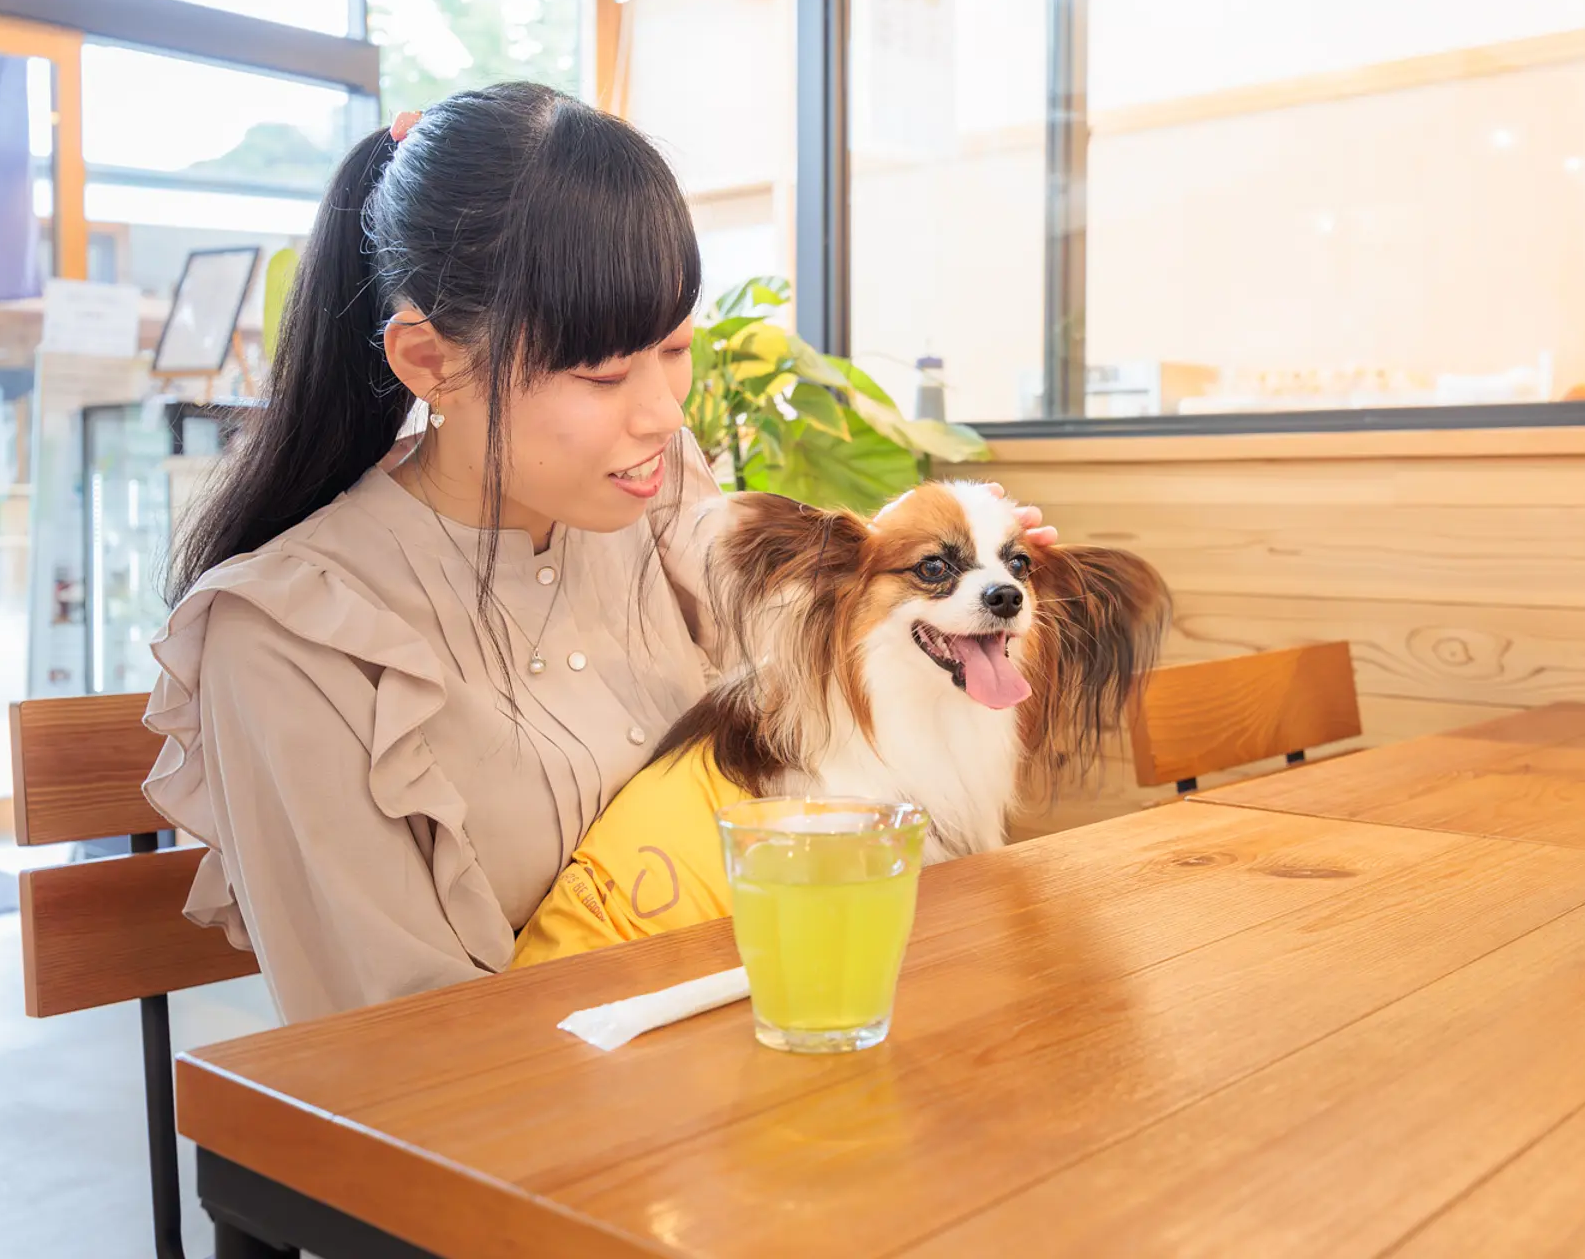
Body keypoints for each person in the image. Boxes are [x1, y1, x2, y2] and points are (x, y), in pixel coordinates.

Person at [143, 83, 1052, 1023]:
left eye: (676, 348)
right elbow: (395, 1045)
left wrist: (952, 625)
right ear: (430, 362)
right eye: (603, 373)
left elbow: (825, 728)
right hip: (529, 1101)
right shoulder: (288, 636)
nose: (662, 412)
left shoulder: (656, 497)